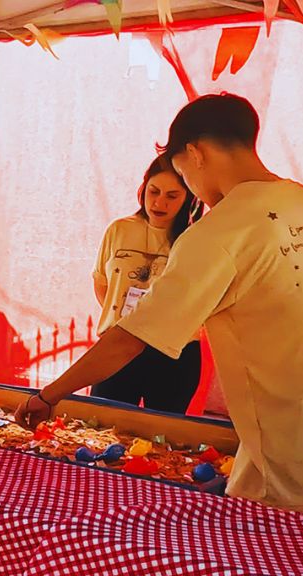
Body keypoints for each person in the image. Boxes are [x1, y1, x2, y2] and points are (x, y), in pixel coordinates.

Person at [17, 94, 303, 521]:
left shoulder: (219, 232)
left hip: (298, 471)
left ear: (194, 154)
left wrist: (47, 396)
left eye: (181, 173)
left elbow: (129, 341)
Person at [90, 154, 203, 413]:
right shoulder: (119, 230)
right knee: (100, 431)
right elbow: (102, 285)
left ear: (189, 199)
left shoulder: (196, 240)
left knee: (163, 442)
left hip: (173, 354)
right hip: (116, 348)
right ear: (143, 189)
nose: (159, 202)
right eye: (154, 191)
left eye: (172, 196)